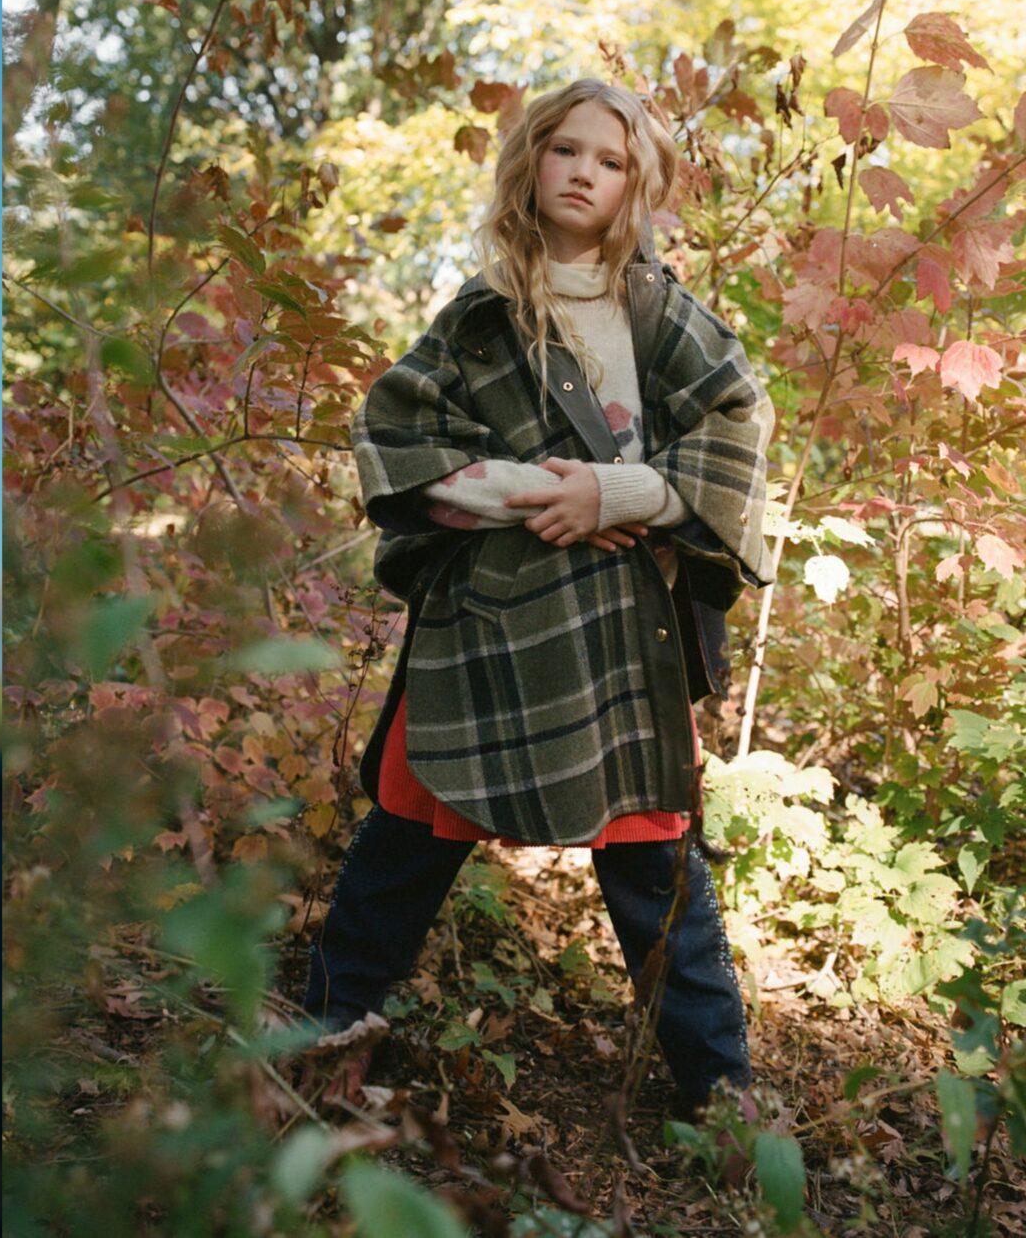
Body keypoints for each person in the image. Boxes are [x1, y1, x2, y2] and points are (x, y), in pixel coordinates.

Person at [301, 78, 776, 1118]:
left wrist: (616, 489)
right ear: (531, 164)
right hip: (484, 622)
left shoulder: (658, 313)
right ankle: (319, 1043)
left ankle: (722, 1095)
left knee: (655, 868)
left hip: (618, 630)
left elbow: (735, 428)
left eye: (608, 161)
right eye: (564, 150)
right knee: (400, 841)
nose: (583, 173)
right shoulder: (477, 319)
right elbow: (395, 440)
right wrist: (534, 492)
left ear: (633, 185)